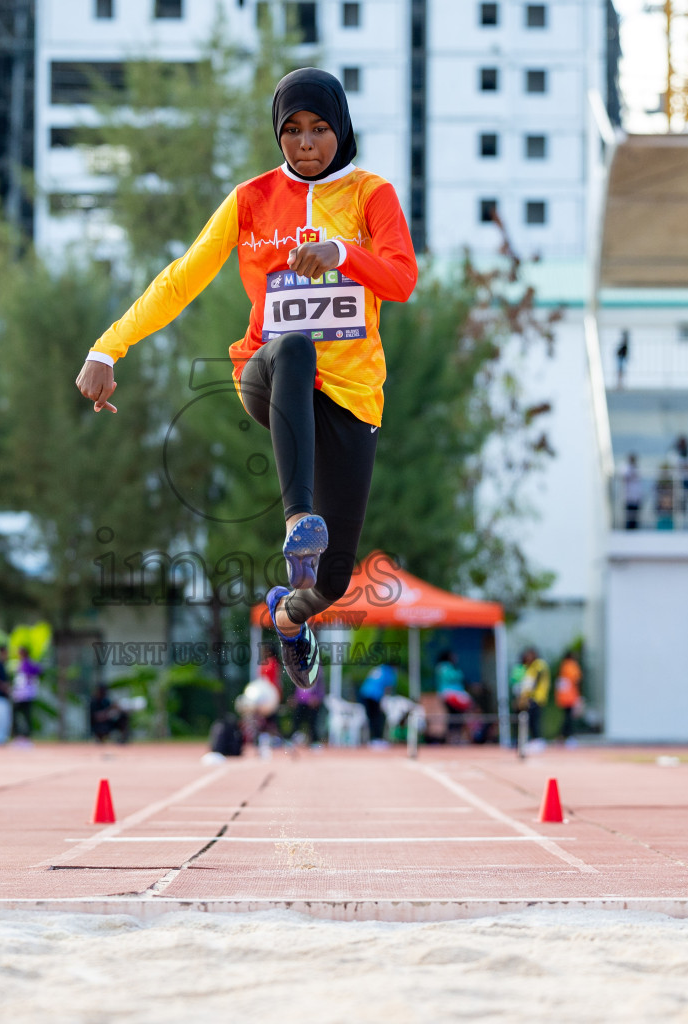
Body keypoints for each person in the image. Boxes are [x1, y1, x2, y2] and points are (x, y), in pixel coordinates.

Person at [74, 68, 417, 695]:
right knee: (292, 347)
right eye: (291, 131)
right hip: (270, 374)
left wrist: (343, 254)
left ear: (340, 129)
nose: (306, 144)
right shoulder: (252, 199)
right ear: (277, 135)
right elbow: (180, 279)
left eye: (318, 130)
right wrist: (108, 347)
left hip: (353, 396)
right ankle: (297, 519)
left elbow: (402, 278)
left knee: (334, 582)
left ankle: (289, 618)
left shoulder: (372, 194)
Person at [517, 648, 551, 749]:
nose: (527, 658)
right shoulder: (535, 666)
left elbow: (533, 682)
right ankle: (535, 740)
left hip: (535, 697)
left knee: (534, 720)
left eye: (529, 655)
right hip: (536, 696)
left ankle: (537, 741)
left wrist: (525, 696)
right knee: (532, 719)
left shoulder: (537, 665)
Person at [359, 663, 396, 747]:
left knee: (371, 718)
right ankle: (377, 739)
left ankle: (373, 739)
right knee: (377, 717)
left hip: (364, 693)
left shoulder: (379, 668)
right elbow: (388, 688)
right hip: (374, 696)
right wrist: (385, 700)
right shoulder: (389, 671)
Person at [11, 646, 42, 744]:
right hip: (19, 695)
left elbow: (39, 671)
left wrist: (30, 678)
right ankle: (17, 735)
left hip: (27, 695)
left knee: (26, 715)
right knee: (15, 715)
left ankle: (26, 736)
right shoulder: (19, 663)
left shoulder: (29, 663)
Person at [555, 648, 583, 747]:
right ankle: (568, 736)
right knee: (569, 718)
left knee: (567, 717)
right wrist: (579, 696)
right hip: (570, 696)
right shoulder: (572, 665)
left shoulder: (563, 665)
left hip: (563, 696)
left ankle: (562, 736)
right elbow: (576, 680)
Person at [290, 674, 325, 745]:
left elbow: (320, 686)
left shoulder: (317, 670)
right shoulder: (299, 669)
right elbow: (297, 686)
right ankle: (293, 739)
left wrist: (317, 697)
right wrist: (295, 697)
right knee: (296, 721)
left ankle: (314, 741)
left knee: (312, 723)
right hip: (301, 701)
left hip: (312, 702)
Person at [622, 454, 644, 530]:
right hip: (629, 496)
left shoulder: (637, 469)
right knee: (629, 515)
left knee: (635, 515)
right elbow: (624, 477)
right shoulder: (626, 468)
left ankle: (635, 528)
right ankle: (628, 529)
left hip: (636, 496)